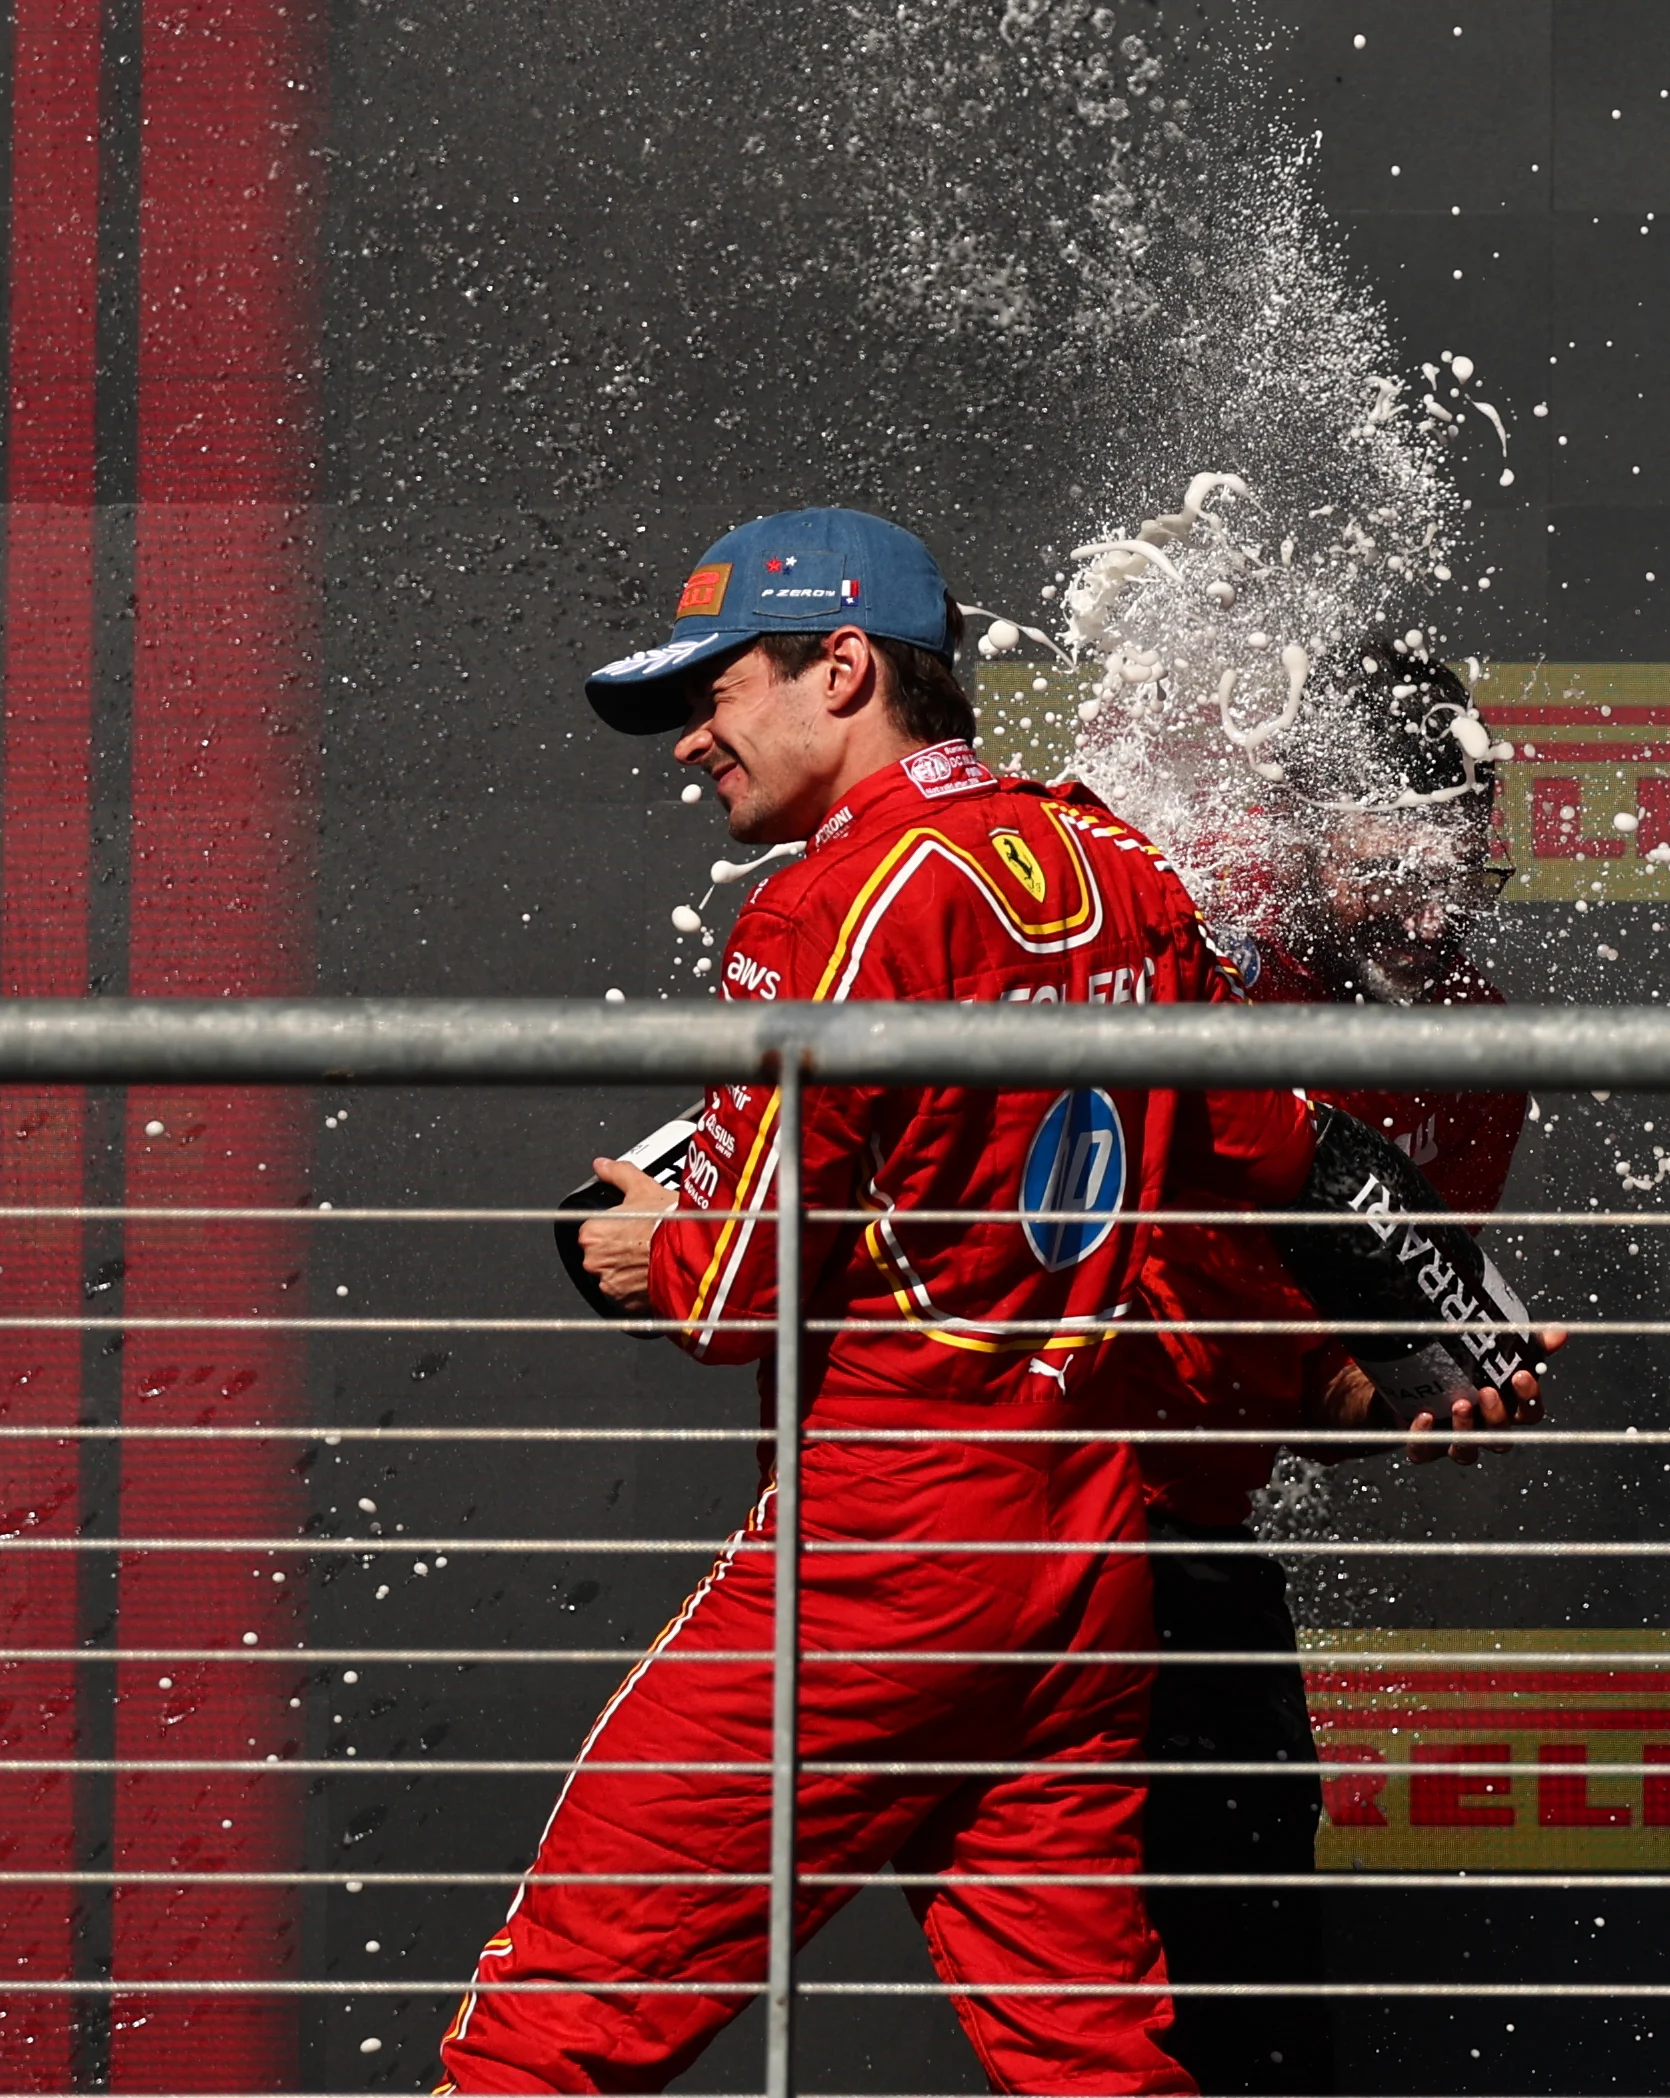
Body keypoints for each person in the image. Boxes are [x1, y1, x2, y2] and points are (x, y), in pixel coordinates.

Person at [437, 510, 1543, 2095]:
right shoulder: (1121, 860)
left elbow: (741, 1284)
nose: (691, 737)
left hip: (892, 1549)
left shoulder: (831, 906)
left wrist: (645, 1254)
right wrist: (1453, 1314)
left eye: (716, 688)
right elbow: (1285, 1144)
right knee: (1098, 2059)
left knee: (547, 2025)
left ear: (839, 668)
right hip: (1085, 1559)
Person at [1110, 641, 1529, 2094]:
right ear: (1300, 823)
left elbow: (1354, 1386)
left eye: (1455, 852)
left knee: (1256, 1976)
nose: (1428, 897)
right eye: (1388, 849)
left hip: (1195, 1529)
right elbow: (1122, 1247)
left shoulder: (1475, 1051)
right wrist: (1329, 1379)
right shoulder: (1197, 935)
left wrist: (1435, 1384)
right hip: (1054, 1499)